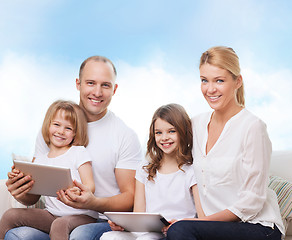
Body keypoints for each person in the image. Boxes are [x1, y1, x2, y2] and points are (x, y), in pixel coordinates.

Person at [4, 56, 143, 240]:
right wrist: (22, 191)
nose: (97, 92)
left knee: (78, 234)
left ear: (114, 89)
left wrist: (94, 202)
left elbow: (130, 197)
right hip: (54, 217)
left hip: (101, 220)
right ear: (78, 84)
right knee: (17, 235)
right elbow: (34, 194)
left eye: (105, 85)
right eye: (91, 83)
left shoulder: (124, 135)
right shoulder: (53, 131)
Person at [166, 46, 285, 240]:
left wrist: (198, 223)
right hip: (213, 227)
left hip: (257, 227)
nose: (210, 89)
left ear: (237, 81)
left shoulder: (253, 127)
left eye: (219, 80)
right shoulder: (195, 125)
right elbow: (173, 168)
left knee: (181, 231)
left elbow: (252, 202)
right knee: (172, 230)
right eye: (204, 80)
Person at [100, 103, 204, 240]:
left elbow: (202, 218)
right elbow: (138, 214)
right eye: (158, 133)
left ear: (183, 132)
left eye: (171, 131)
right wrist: (123, 225)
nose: (164, 137)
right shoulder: (145, 168)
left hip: (177, 232)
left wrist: (178, 225)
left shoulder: (192, 169)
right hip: (149, 231)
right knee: (109, 237)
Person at [0, 100, 98, 239]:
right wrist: (19, 180)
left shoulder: (78, 152)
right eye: (56, 125)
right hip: (52, 215)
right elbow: (33, 195)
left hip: (82, 216)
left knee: (59, 224)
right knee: (10, 215)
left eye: (68, 128)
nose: (60, 131)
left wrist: (80, 191)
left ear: (75, 133)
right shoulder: (40, 160)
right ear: (48, 125)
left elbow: (90, 186)